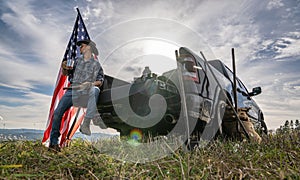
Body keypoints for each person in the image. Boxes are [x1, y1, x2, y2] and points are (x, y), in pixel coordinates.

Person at [49, 39, 106, 152]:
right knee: (57, 113)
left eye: (82, 46)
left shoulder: (96, 64)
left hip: (87, 90)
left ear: (89, 47)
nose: (80, 48)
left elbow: (100, 81)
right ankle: (53, 143)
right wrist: (64, 67)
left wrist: (89, 84)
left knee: (95, 90)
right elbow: (66, 73)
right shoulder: (76, 60)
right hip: (72, 90)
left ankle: (85, 124)